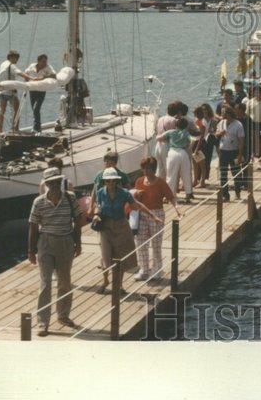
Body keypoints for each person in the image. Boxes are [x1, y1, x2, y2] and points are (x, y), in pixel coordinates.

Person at [28, 167, 82, 336]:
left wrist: (77, 242)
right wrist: (30, 250)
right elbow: (33, 226)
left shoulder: (70, 198)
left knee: (65, 282)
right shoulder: (38, 202)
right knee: (45, 283)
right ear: (46, 184)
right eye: (51, 183)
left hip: (65, 241)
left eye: (57, 182)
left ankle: (63, 315)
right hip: (45, 242)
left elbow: (78, 219)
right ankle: (42, 322)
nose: (55, 185)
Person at [91, 167, 163, 294]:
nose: (111, 183)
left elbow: (137, 205)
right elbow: (98, 205)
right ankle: (105, 280)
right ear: (104, 182)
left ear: (117, 181)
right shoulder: (101, 192)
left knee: (121, 257)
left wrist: (152, 216)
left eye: (113, 180)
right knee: (105, 256)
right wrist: (96, 215)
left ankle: (119, 285)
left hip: (121, 226)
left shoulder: (124, 193)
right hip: (106, 227)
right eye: (108, 181)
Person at [131, 156, 177, 281]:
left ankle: (157, 269)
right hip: (142, 214)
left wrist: (178, 210)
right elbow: (134, 199)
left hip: (157, 214)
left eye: (148, 169)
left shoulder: (161, 182)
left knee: (156, 243)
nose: (145, 171)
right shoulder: (139, 181)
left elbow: (171, 197)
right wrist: (137, 195)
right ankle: (144, 269)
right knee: (141, 242)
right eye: (144, 169)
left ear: (154, 169)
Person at [157, 116, 194, 201]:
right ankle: (188, 195)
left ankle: (168, 196)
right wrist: (188, 147)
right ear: (185, 126)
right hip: (183, 152)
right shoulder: (186, 133)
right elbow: (192, 140)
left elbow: (159, 138)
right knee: (186, 173)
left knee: (171, 175)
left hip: (173, 152)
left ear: (176, 125)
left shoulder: (171, 132)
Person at [216, 106, 245, 202]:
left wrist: (240, 155)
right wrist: (220, 132)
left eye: (226, 114)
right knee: (223, 174)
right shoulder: (221, 123)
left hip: (234, 151)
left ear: (231, 114)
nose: (225, 116)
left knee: (236, 173)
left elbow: (241, 140)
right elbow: (216, 133)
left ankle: (237, 192)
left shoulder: (238, 125)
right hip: (223, 151)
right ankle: (225, 194)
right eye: (224, 114)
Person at [0, 49, 28, 132]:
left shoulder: (3, 64)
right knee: (16, 111)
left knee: (1, 111)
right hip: (10, 92)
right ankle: (15, 129)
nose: (17, 60)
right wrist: (29, 78)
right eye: (16, 58)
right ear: (11, 57)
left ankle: (0, 129)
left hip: (1, 90)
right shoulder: (11, 65)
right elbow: (19, 72)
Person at [25, 53, 56, 133]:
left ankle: (36, 127)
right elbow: (26, 73)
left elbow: (54, 75)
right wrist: (26, 82)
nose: (45, 63)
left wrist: (44, 77)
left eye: (45, 61)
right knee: (34, 109)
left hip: (41, 90)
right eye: (43, 61)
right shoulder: (32, 66)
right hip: (32, 89)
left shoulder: (47, 67)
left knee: (36, 108)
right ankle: (37, 126)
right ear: (38, 61)